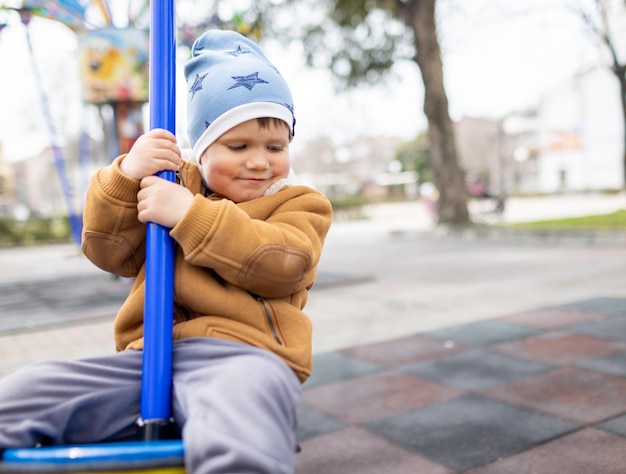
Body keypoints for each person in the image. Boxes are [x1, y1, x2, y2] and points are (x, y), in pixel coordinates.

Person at [0, 29, 332, 474]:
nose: (260, 161)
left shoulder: (299, 203)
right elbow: (107, 249)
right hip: (145, 358)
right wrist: (126, 175)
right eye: (239, 146)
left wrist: (191, 217)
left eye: (276, 146)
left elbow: (283, 264)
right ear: (202, 147)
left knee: (244, 418)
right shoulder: (170, 182)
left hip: (244, 356)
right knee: (25, 392)